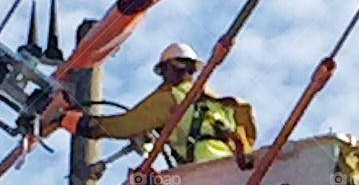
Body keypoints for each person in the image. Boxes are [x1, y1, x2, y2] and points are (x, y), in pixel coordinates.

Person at [66, 42, 256, 165]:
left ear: (168, 68)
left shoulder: (169, 98)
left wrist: (77, 123)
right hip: (232, 165)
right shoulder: (218, 102)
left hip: (203, 168)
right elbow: (247, 129)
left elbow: (123, 126)